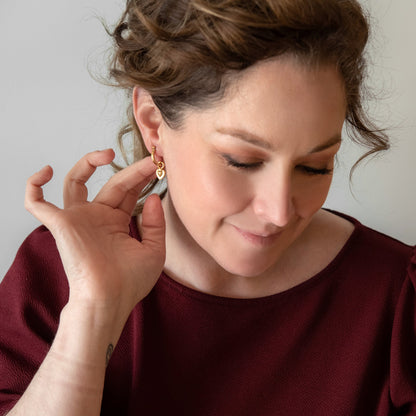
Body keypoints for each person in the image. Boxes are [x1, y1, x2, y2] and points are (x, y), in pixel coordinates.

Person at [0, 0, 415, 414]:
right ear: (153, 123)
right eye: (243, 161)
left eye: (314, 167)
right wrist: (93, 314)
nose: (279, 212)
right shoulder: (55, 275)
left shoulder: (400, 301)